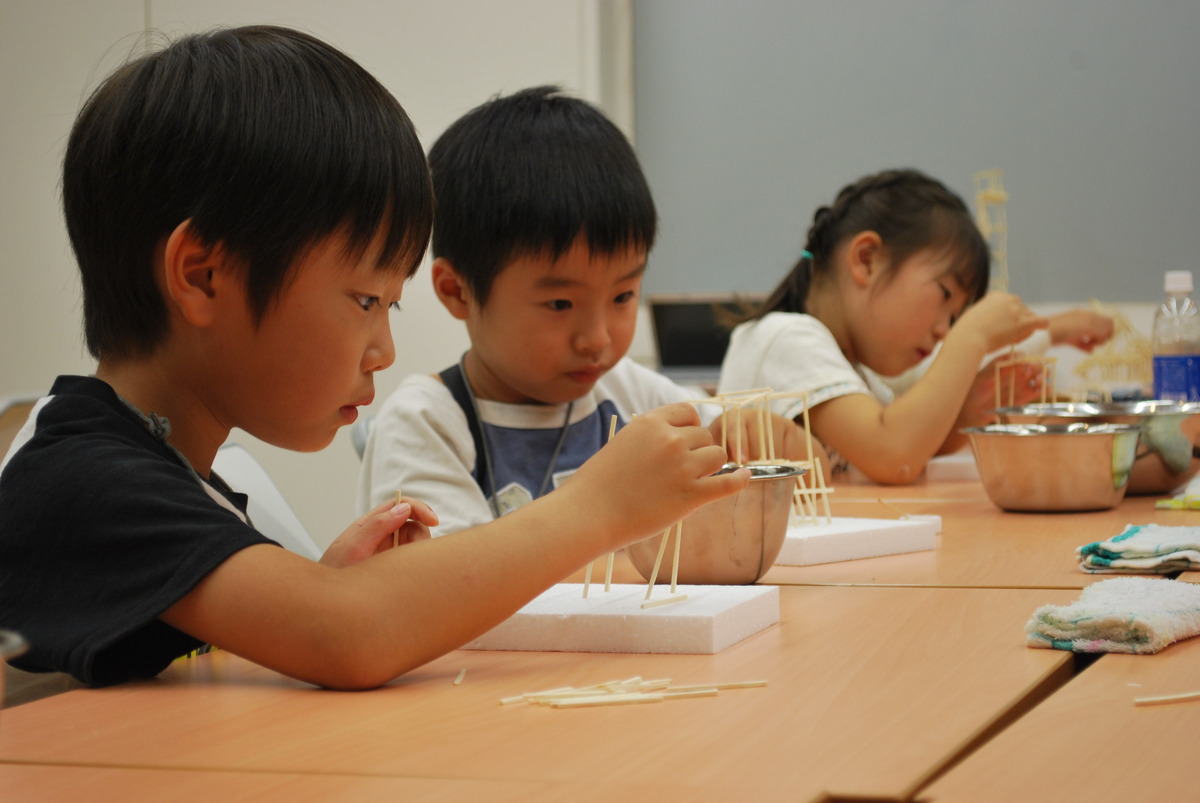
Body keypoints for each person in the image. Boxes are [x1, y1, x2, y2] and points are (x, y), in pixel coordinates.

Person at [0, 27, 750, 698]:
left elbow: (301, 634)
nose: (385, 350)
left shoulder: (182, 476)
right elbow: (348, 636)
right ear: (203, 276)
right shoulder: (86, 480)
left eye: (390, 306)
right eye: (365, 300)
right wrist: (599, 508)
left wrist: (320, 585)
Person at [357, 86, 821, 534]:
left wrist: (767, 442)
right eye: (560, 303)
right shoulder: (427, 423)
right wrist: (606, 507)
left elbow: (767, 477)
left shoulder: (631, 395)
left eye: (623, 296)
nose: (597, 339)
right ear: (457, 291)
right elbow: (446, 577)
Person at [719, 168, 1112, 485]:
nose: (945, 330)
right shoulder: (785, 338)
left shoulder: (857, 374)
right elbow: (893, 456)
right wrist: (971, 334)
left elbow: (909, 447)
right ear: (867, 260)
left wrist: (963, 416)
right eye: (945, 295)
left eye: (956, 318)